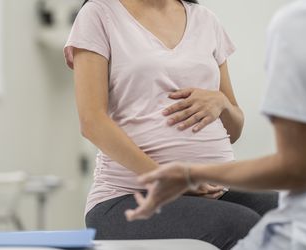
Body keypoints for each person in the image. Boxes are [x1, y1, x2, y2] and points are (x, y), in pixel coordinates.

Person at [64, 0, 277, 249]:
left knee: (292, 211)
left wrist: (222, 103)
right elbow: (92, 122)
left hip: (213, 191)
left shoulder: (205, 20)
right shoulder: (99, 13)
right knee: (242, 226)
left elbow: (234, 130)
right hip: (128, 197)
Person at [125, 0, 306, 249]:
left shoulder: (303, 25)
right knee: (244, 221)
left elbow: (296, 167)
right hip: (129, 191)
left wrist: (191, 174)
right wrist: (172, 177)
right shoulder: (102, 13)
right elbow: (92, 121)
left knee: (267, 212)